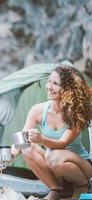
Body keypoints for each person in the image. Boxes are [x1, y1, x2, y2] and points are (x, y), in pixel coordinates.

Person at [11, 65, 92, 200]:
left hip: (81, 166)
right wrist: (11, 155)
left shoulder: (76, 113)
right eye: (49, 81)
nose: (49, 86)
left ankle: (82, 185)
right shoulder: (38, 110)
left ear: (68, 90)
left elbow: (62, 143)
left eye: (55, 83)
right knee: (26, 148)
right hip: (54, 162)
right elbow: (23, 137)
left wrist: (41, 140)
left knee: (54, 155)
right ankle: (55, 189)